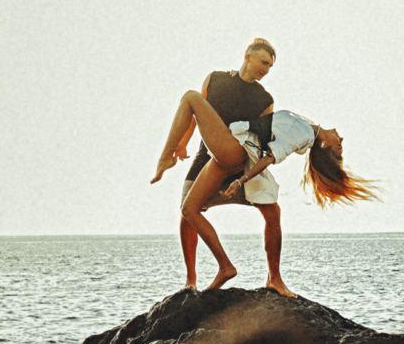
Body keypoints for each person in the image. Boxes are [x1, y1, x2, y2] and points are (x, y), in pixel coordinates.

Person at [152, 92, 376, 296]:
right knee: (190, 209)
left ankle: (165, 157)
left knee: (191, 98)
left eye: (339, 147)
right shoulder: (308, 128)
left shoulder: (303, 134)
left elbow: (269, 157)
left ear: (326, 145)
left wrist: (241, 181)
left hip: (233, 148)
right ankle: (227, 268)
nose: (342, 140)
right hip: (231, 155)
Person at [154, 38, 289, 293]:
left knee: (272, 212)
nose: (266, 69)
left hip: (239, 162)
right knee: (187, 213)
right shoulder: (215, 79)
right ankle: (190, 280)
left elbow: (259, 139)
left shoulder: (265, 99)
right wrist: (182, 143)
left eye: (270, 66)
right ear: (247, 56)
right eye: (263, 62)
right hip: (206, 157)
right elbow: (196, 116)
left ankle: (275, 278)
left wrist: (246, 177)